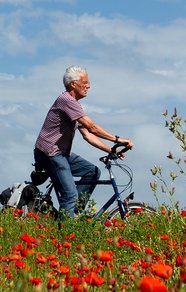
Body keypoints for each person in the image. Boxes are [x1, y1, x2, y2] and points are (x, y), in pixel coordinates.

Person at [34, 65, 133, 218]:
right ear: (73, 84)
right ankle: (66, 235)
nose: (89, 85)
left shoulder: (74, 104)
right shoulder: (66, 100)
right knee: (70, 195)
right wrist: (119, 139)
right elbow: (92, 127)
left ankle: (74, 214)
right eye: (85, 82)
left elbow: (88, 135)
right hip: (50, 153)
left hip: (61, 153)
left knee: (92, 172)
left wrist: (112, 150)